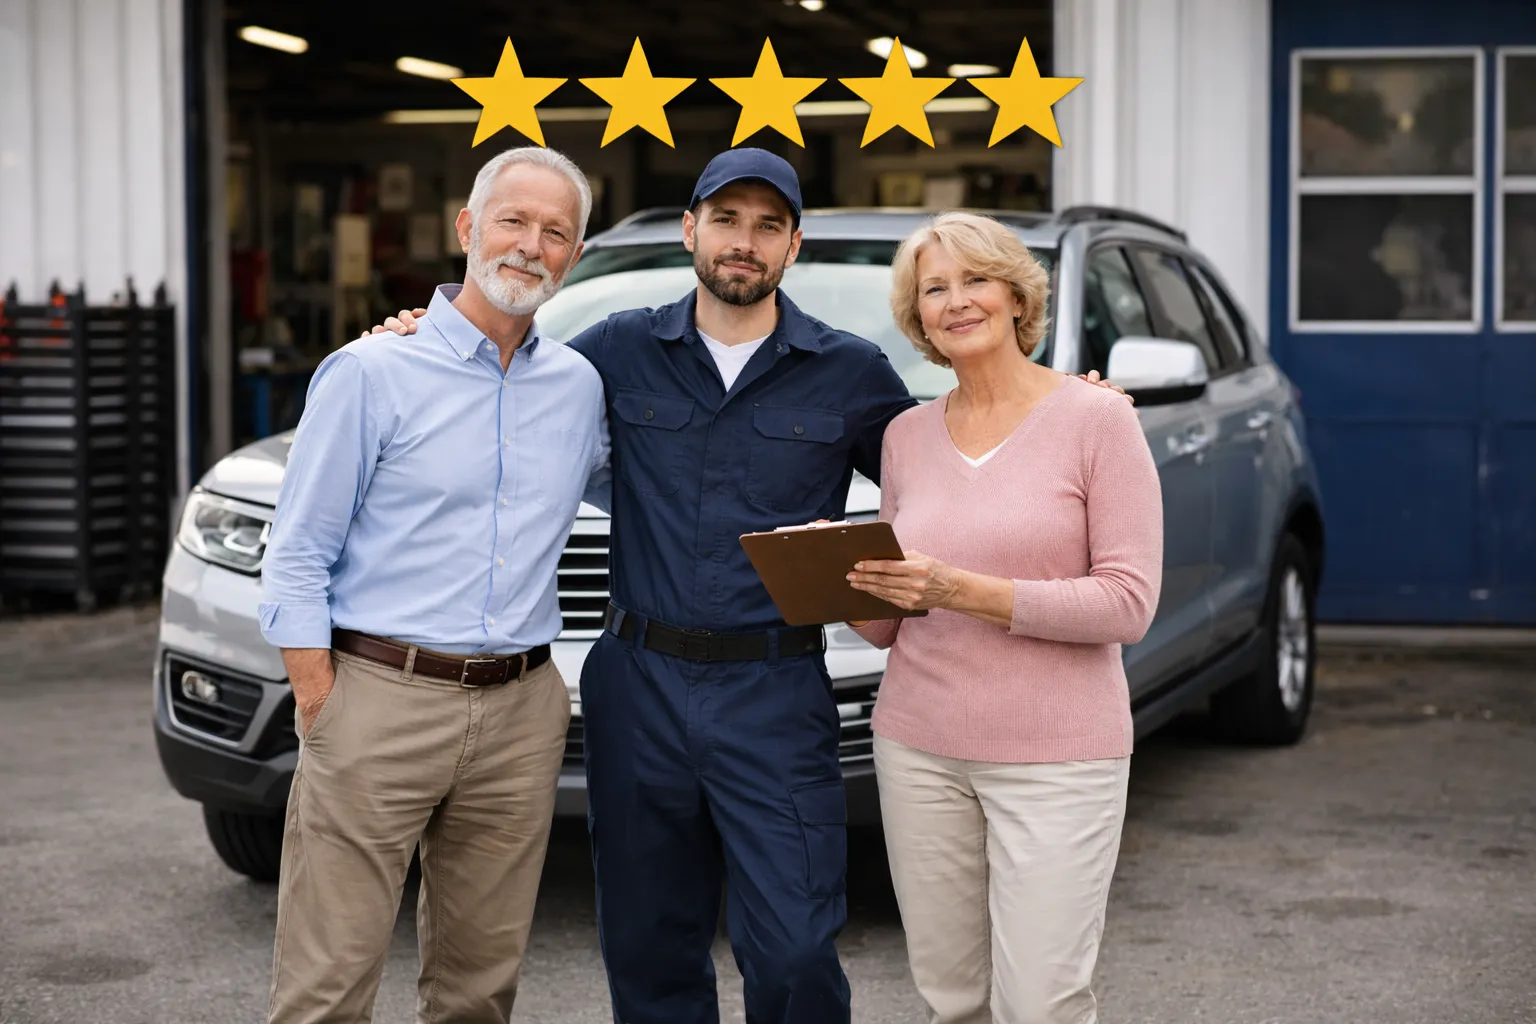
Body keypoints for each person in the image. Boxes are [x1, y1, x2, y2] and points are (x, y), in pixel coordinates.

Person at [368, 149, 1130, 1024]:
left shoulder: (850, 374)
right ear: (691, 229)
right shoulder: (614, 351)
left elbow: (963, 452)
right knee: (650, 945)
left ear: (793, 245)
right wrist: (416, 340)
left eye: (768, 226)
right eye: (726, 220)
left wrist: (1069, 405)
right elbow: (498, 385)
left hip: (775, 691)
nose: (745, 241)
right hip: (639, 685)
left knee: (798, 950)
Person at [256, 145, 608, 1024]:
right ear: (467, 229)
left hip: (523, 706)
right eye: (513, 221)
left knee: (479, 991)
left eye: (556, 232)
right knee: (328, 987)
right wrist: (320, 700)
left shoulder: (579, 388)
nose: (531, 245)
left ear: (574, 254)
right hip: (377, 694)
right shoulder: (371, 371)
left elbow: (669, 487)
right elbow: (297, 551)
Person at [843, 212, 1163, 1024]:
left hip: (1058, 760)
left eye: (975, 280)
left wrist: (964, 590)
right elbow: (889, 623)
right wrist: (838, 579)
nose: (957, 302)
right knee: (951, 998)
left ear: (1018, 296)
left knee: (1043, 1002)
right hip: (918, 750)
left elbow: (1127, 602)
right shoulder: (906, 436)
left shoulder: (1100, 420)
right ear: (918, 318)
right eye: (935, 290)